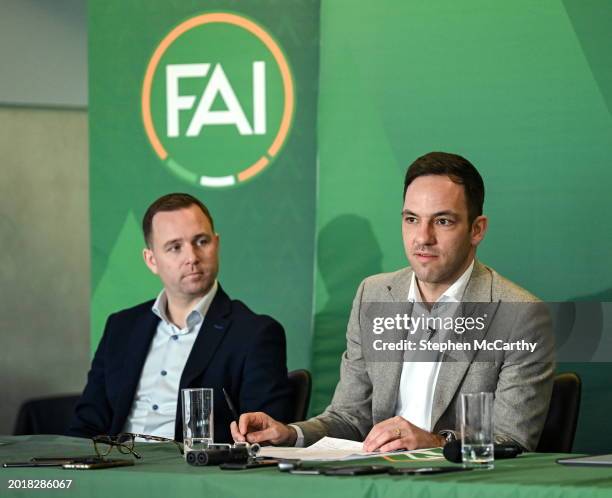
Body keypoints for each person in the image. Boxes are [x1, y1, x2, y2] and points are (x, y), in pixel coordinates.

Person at [231, 152, 554, 452]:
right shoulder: (372, 295)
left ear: (477, 229)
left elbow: (512, 440)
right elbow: (349, 417)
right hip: (375, 479)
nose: (423, 237)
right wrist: (291, 434)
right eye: (412, 219)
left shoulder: (520, 314)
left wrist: (432, 442)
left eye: (442, 221)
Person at [67, 193, 292, 443]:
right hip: (115, 469)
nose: (192, 257)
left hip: (193, 475)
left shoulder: (255, 334)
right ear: (151, 260)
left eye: (201, 241)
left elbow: (263, 435)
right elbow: (85, 426)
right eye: (175, 247)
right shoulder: (121, 327)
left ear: (216, 244)